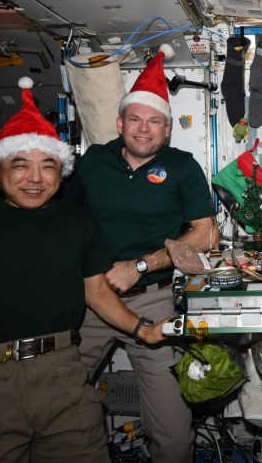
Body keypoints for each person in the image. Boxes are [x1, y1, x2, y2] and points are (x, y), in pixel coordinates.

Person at [0, 78, 166, 463]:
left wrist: (143, 329)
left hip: (65, 375)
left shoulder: (78, 223)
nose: (35, 178)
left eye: (48, 166)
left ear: (61, 174)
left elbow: (96, 293)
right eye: (20, 165)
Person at [62, 44, 217, 463]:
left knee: (172, 431)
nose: (144, 129)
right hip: (90, 302)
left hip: (155, 300)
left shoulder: (183, 166)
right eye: (135, 119)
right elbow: (60, 217)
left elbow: (205, 234)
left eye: (154, 121)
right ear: (120, 123)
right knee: (56, 404)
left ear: (167, 129)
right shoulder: (92, 161)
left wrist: (140, 266)